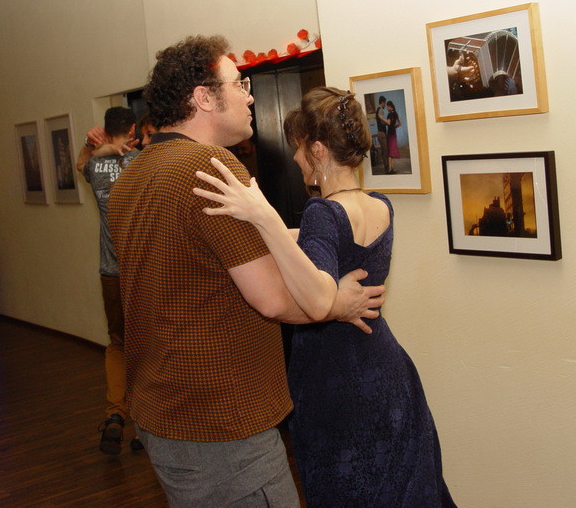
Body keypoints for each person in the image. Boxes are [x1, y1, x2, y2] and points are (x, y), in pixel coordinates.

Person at [108, 35, 384, 508]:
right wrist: (339, 303)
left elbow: (200, 258)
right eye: (239, 84)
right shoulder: (211, 167)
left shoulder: (133, 173)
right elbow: (273, 298)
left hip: (161, 409)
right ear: (203, 98)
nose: (249, 97)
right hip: (220, 421)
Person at [194, 87, 457, 508]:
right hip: (388, 372)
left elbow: (318, 302)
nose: (296, 159)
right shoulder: (379, 205)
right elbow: (325, 246)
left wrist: (264, 217)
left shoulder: (323, 211)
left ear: (317, 150)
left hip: (338, 382)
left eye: (299, 149)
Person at [76, 107, 144, 455]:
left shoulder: (94, 165)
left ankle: (115, 415)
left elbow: (79, 163)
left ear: (105, 129)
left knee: (118, 344)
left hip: (111, 271)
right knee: (148, 344)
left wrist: (94, 147)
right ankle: (145, 427)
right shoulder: (144, 163)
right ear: (132, 130)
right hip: (143, 270)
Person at [375, 95, 390, 173]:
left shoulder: (377, 109)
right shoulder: (380, 110)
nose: (385, 105)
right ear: (382, 102)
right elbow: (381, 118)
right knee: (385, 152)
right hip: (381, 133)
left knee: (384, 151)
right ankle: (387, 169)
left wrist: (386, 122)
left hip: (380, 133)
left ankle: (386, 168)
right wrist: (387, 122)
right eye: (385, 103)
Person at [385, 99, 401, 166]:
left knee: (390, 151)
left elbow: (388, 123)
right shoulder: (395, 113)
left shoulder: (389, 114)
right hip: (394, 133)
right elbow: (400, 123)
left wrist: (384, 122)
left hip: (390, 133)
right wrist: (395, 127)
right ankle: (392, 167)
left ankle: (389, 168)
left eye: (387, 106)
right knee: (393, 150)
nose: (386, 108)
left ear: (390, 106)